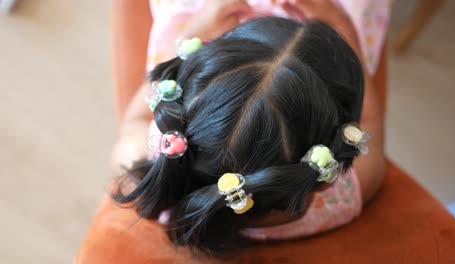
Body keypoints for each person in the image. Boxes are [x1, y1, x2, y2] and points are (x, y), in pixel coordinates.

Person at [111, 0, 386, 255]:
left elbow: (134, 121)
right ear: (325, 180)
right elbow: (371, 120)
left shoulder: (155, 169)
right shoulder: (342, 197)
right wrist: (341, 24)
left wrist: (189, 39)